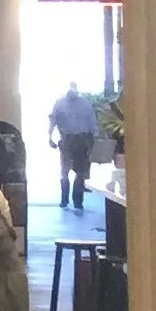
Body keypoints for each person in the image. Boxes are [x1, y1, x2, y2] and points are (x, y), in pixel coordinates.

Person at [50, 81, 98, 212]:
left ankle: (77, 201)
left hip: (82, 139)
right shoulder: (60, 103)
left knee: (80, 172)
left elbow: (92, 122)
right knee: (65, 171)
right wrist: (50, 137)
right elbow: (53, 121)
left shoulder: (85, 104)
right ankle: (64, 199)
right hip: (67, 139)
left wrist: (94, 139)